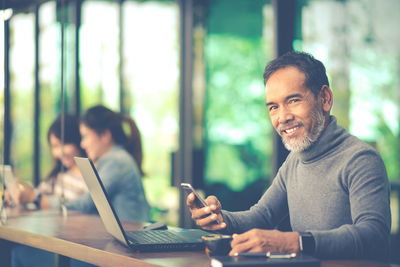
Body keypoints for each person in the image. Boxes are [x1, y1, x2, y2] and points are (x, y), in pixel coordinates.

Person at [186, 51, 391, 261]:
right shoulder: (295, 160)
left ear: (325, 99)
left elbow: (374, 236)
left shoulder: (361, 159)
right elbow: (262, 216)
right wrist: (220, 219)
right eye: (273, 107)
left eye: (293, 100)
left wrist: (295, 242)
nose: (283, 117)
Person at [66, 104, 150, 222]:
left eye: (85, 136)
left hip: (132, 233)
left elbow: (88, 203)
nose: (82, 144)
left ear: (105, 135)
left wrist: (51, 202)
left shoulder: (116, 161)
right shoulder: (116, 158)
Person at [16, 114, 88, 209]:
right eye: (55, 146)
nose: (60, 152)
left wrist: (34, 197)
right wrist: (20, 193)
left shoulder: (89, 178)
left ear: (78, 141)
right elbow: (36, 195)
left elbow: (83, 206)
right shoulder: (58, 175)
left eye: (64, 144)